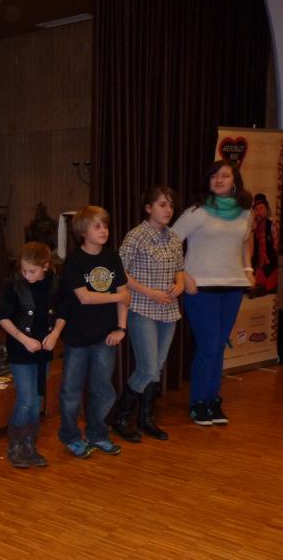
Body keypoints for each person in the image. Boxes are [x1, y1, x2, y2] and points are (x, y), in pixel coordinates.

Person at [172, 160, 254, 426]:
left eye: (225, 175)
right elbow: (170, 242)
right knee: (208, 346)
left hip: (232, 287)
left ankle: (212, 399)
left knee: (218, 346)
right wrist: (182, 274)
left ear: (234, 181)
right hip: (201, 288)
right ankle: (198, 402)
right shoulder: (197, 212)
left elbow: (246, 240)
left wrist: (248, 268)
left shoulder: (245, 213)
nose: (219, 180)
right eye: (214, 176)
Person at [58, 206, 130, 458]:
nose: (103, 231)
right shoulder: (74, 261)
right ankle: (71, 437)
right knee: (71, 391)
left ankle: (97, 434)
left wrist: (121, 328)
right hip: (77, 338)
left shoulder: (112, 257)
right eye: (97, 226)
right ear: (82, 231)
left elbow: (124, 296)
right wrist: (117, 296)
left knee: (103, 389)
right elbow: (85, 297)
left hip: (105, 336)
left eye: (105, 225)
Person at [115, 186, 184, 443]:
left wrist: (179, 284)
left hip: (168, 310)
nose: (168, 210)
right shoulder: (136, 236)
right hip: (142, 308)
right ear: (148, 208)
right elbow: (120, 272)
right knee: (147, 368)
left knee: (157, 368)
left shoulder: (173, 237)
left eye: (171, 206)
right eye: (162, 205)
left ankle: (146, 418)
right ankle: (121, 418)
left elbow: (179, 268)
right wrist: (150, 293)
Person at [0, 242, 65, 468]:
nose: (27, 275)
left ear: (45, 266)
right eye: (23, 270)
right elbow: (3, 317)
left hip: (43, 352)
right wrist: (24, 339)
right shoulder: (14, 284)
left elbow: (64, 312)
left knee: (37, 401)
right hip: (20, 350)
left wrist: (55, 334)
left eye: (32, 271)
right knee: (26, 399)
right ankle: (15, 446)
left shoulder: (55, 283)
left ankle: (29, 445)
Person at [250, 193, 278, 296]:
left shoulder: (272, 226)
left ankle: (264, 288)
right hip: (261, 268)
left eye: (261, 208)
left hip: (272, 266)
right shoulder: (255, 229)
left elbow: (277, 250)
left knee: (275, 278)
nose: (258, 212)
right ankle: (262, 288)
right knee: (254, 278)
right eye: (256, 209)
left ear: (267, 210)